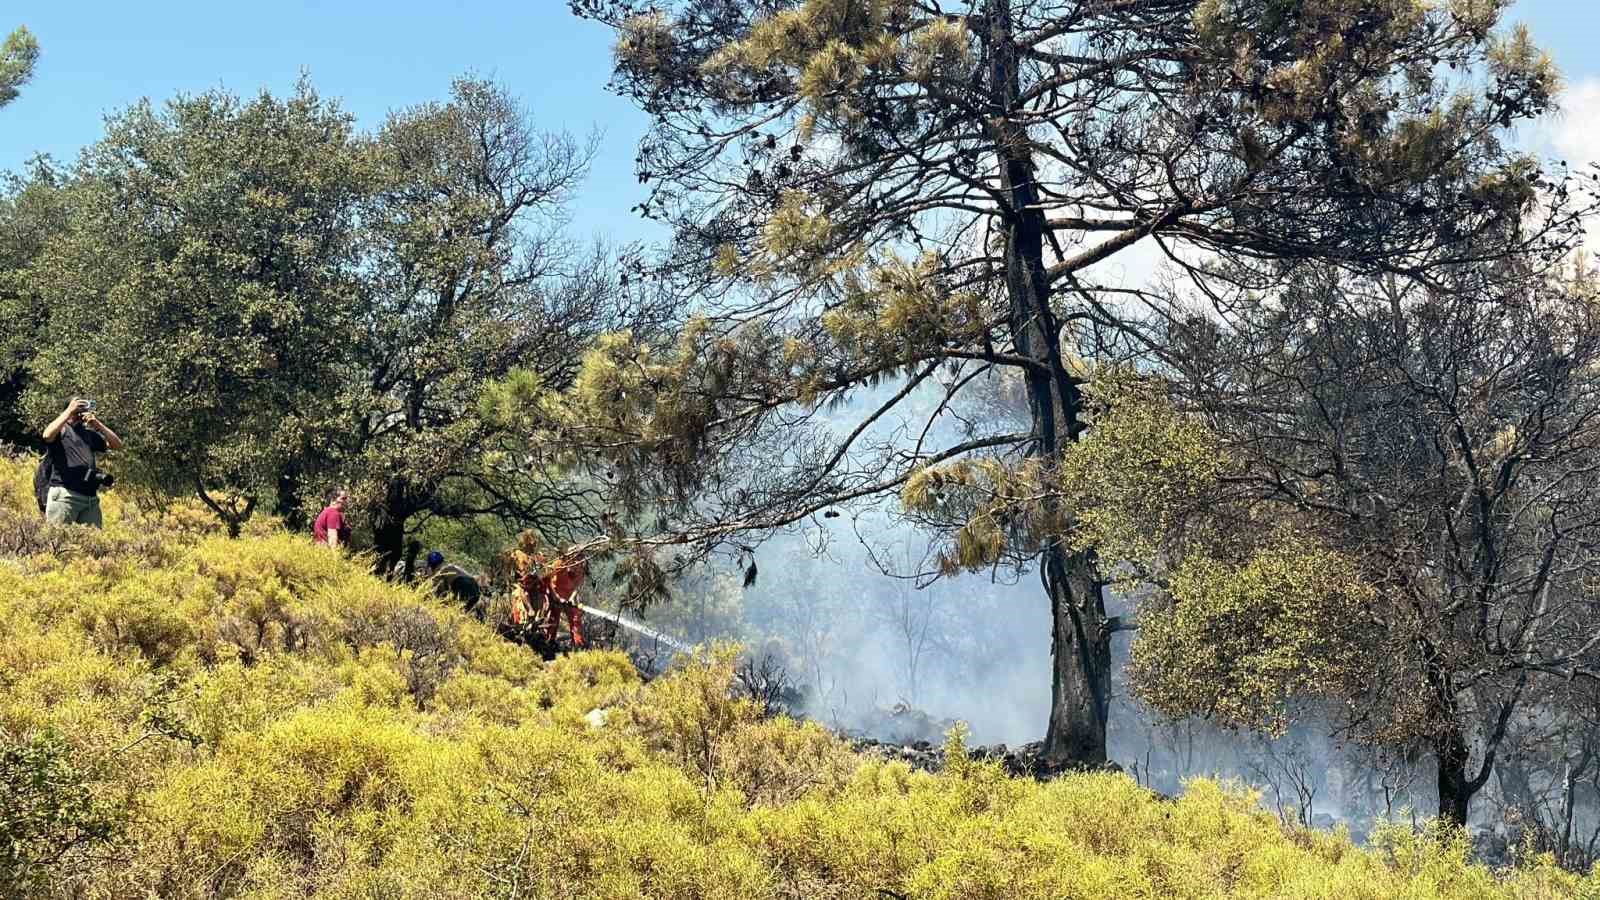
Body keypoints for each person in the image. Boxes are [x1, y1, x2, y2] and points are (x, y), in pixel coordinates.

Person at [40, 397, 123, 528]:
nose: (79, 414)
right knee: (58, 541)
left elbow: (117, 445)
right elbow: (47, 435)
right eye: (77, 410)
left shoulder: (88, 434)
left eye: (82, 411)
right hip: (65, 495)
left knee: (92, 544)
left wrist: (97, 424)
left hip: (90, 499)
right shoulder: (61, 430)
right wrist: (69, 411)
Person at [422, 550, 484, 619]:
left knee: (458, 611)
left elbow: (438, 590)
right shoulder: (451, 567)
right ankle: (480, 621)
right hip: (474, 585)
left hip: (462, 585)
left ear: (431, 565)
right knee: (470, 608)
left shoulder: (439, 571)